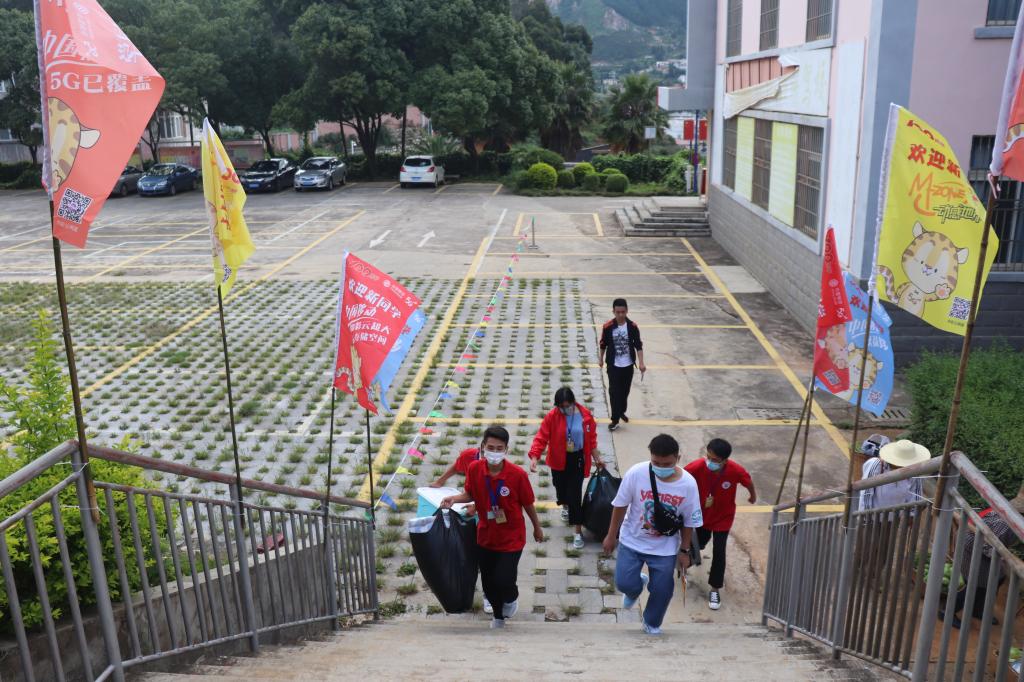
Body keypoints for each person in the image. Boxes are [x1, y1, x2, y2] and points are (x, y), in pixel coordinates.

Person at [441, 426, 543, 629]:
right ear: (483, 447)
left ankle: (511, 598)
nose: (494, 452)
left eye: (499, 448)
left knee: (504, 578)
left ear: (506, 450)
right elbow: (470, 493)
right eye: (490, 447)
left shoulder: (517, 475)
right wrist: (454, 499)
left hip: (512, 537)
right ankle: (498, 617)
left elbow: (528, 504)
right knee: (488, 582)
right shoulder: (474, 469)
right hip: (486, 535)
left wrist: (537, 527)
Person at [603, 434, 702, 635]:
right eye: (656, 463)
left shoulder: (688, 485)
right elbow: (620, 505)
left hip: (664, 548)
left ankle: (651, 622)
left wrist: (684, 550)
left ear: (677, 458)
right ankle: (636, 587)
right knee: (624, 583)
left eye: (667, 464)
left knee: (662, 590)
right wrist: (611, 535)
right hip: (632, 540)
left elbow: (689, 522)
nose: (661, 468)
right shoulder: (636, 473)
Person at [683, 438, 756, 611]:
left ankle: (715, 588)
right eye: (708, 457)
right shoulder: (697, 466)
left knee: (719, 551)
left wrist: (752, 496)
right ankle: (687, 561)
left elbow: (748, 482)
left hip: (723, 517)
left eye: (714, 459)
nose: (709, 461)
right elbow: (681, 477)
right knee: (699, 544)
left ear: (725, 460)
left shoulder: (735, 470)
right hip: (702, 515)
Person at [528, 387, 601, 550]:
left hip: (577, 459)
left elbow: (591, 440)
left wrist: (597, 458)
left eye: (567, 406)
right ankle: (565, 505)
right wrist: (534, 457)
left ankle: (577, 531)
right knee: (561, 490)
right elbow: (541, 437)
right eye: (561, 406)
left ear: (573, 402)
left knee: (575, 494)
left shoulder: (585, 416)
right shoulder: (552, 416)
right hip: (558, 459)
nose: (564, 409)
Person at [942, 488, 1024, 629]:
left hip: (982, 546)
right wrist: (1002, 557)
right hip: (973, 547)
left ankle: (977, 609)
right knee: (973, 583)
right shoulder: (1005, 524)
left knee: (997, 579)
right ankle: (947, 612)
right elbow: (987, 544)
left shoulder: (1007, 514)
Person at [598, 298, 645, 432]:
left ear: (627, 311)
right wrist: (601, 359)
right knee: (614, 392)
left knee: (625, 392)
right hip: (613, 365)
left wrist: (641, 362)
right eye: (618, 312)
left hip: (628, 365)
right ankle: (615, 419)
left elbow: (638, 345)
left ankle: (621, 410)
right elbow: (603, 344)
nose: (620, 315)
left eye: (623, 312)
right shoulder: (608, 327)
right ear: (613, 311)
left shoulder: (632, 327)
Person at [858, 439, 930, 511]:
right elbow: (866, 494)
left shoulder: (913, 472)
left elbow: (915, 500)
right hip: (874, 516)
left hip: (896, 516)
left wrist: (910, 515)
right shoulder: (876, 465)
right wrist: (866, 516)